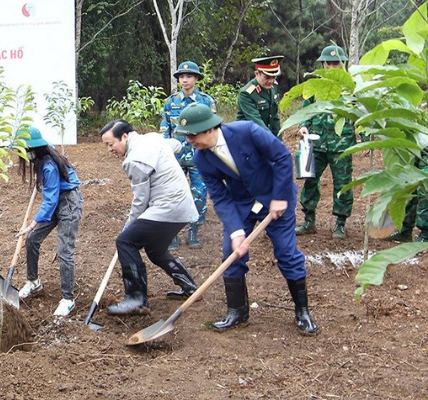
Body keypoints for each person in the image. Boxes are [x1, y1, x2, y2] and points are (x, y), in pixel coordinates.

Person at [176, 103, 319, 335]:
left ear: (210, 129)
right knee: (230, 255)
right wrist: (235, 231)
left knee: (286, 252)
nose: (190, 140)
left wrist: (280, 197)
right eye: (187, 136)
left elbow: (282, 157)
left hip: (275, 196)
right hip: (242, 204)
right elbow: (220, 197)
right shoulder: (201, 159)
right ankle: (238, 312)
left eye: (193, 135)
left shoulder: (247, 131)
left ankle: (302, 312)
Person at [100, 120, 199, 315]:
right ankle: (189, 286)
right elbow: (176, 145)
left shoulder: (134, 160)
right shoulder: (153, 138)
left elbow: (140, 201)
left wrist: (128, 228)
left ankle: (136, 299)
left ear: (125, 136)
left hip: (167, 207)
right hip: (183, 208)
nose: (110, 149)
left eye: (111, 144)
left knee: (126, 242)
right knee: (155, 250)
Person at [16, 126, 83, 318]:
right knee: (32, 240)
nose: (21, 154)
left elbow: (50, 201)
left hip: (69, 202)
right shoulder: (43, 155)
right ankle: (33, 282)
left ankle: (68, 299)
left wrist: (30, 225)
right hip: (56, 198)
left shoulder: (49, 166)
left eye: (23, 150)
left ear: (32, 149)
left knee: (64, 251)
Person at [296, 45, 356, 239]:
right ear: (323, 64)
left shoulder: (350, 87)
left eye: (336, 63)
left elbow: (359, 114)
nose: (332, 67)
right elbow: (307, 110)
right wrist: (304, 125)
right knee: (310, 181)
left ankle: (340, 223)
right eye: (329, 63)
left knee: (342, 183)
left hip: (342, 144)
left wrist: (364, 136)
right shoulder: (315, 86)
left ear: (342, 64)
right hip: (317, 142)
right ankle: (309, 220)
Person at [160, 60, 216, 249]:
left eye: (189, 76)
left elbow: (213, 129)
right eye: (182, 77)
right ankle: (172, 233)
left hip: (200, 156)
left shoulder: (206, 101)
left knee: (199, 193)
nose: (185, 80)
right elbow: (165, 130)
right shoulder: (170, 102)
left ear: (196, 78)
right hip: (176, 157)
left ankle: (193, 230)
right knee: (173, 194)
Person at [237, 56, 284, 136]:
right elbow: (256, 122)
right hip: (248, 138)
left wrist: (279, 140)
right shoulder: (246, 93)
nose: (271, 81)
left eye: (274, 77)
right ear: (257, 74)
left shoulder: (273, 87)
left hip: (266, 137)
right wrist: (273, 142)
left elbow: (274, 118)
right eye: (267, 77)